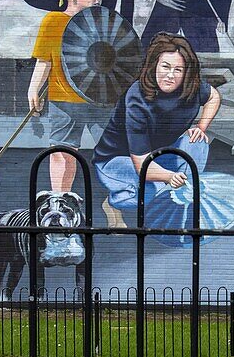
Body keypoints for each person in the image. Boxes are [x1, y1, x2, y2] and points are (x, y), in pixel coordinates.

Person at [93, 32, 221, 227]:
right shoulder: (137, 98)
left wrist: (201, 126)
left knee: (198, 140)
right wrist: (169, 177)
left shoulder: (191, 88)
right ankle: (113, 203)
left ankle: (177, 200)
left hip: (157, 154)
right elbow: (141, 163)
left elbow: (214, 97)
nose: (171, 75)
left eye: (178, 70)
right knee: (151, 191)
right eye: (165, 67)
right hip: (116, 160)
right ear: (154, 65)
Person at [28, 0, 106, 194]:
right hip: (64, 100)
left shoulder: (102, 21)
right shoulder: (53, 21)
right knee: (63, 155)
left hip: (101, 101)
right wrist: (33, 89)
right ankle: (60, 201)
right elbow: (45, 60)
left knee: (115, 153)